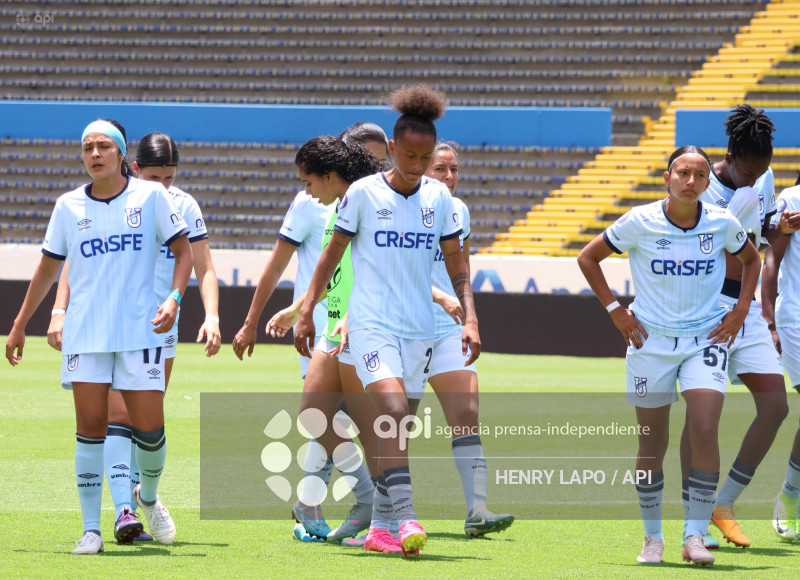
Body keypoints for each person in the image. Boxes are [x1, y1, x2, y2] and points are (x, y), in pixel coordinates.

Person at [294, 85, 481, 557]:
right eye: (410, 155)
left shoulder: (440, 200)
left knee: (395, 430)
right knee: (394, 413)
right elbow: (330, 257)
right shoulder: (361, 193)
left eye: (425, 157)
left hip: (420, 328)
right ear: (393, 150)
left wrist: (470, 319)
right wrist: (305, 312)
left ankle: (378, 530)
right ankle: (407, 516)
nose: (417, 165)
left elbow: (457, 263)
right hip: (371, 325)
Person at [5, 119, 192, 554]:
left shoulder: (151, 196)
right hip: (86, 335)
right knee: (90, 428)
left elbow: (184, 252)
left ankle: (146, 497)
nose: (94, 154)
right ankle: (91, 529)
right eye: (87, 147)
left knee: (150, 429)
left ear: (121, 154)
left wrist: (174, 297)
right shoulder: (68, 206)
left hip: (139, 333)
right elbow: (49, 268)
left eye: (103, 146)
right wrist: (19, 324)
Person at [577, 145, 760, 567]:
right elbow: (588, 258)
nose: (691, 181)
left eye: (699, 174)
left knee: (704, 428)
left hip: (705, 339)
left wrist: (740, 310)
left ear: (707, 181)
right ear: (667, 177)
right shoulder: (639, 221)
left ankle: (695, 535)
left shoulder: (721, 223)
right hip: (649, 342)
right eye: (682, 172)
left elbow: (752, 260)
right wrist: (615, 311)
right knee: (652, 444)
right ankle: (652, 537)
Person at [46, 132, 222, 543]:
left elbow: (203, 264)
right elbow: (75, 258)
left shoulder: (180, 204)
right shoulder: (108, 201)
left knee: (148, 425)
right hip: (113, 324)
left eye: (171, 177)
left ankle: (147, 495)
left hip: (162, 325)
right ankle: (124, 510)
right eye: (156, 176)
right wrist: (59, 310)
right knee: (117, 418)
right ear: (136, 168)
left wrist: (212, 314)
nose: (164, 185)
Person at [265, 133, 388, 545]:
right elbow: (333, 265)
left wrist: (353, 314)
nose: (306, 190)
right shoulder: (344, 202)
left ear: (330, 176)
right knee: (315, 414)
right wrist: (303, 310)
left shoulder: (368, 201)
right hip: (335, 323)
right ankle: (367, 499)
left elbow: (378, 268)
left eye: (308, 181)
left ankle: (388, 511)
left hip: (364, 323)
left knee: (371, 425)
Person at [679, 104, 790, 549]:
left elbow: (764, 235)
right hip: (708, 311)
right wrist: (739, 223)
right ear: (728, 156)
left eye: (760, 172)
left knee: (776, 407)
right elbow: (704, 257)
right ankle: (696, 520)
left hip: (744, 312)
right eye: (747, 172)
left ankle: (725, 503)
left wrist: (779, 225)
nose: (753, 180)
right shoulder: (703, 192)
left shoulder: (761, 176)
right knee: (701, 421)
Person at [413, 141, 514, 537]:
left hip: (447, 329)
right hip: (403, 326)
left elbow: (462, 269)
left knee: (466, 413)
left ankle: (478, 510)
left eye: (454, 169)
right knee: (393, 422)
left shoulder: (458, 210)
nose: (450, 177)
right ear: (421, 168)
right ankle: (382, 510)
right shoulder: (398, 206)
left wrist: (470, 317)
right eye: (441, 169)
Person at [761, 185, 800, 541]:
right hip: (798, 320)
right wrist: (769, 322)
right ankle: (790, 495)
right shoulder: (793, 199)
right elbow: (771, 255)